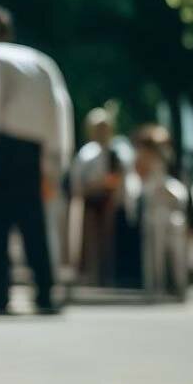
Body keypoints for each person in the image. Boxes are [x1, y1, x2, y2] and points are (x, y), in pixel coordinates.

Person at [0, 1, 73, 314]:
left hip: (0, 149)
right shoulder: (40, 61)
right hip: (33, 152)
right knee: (33, 224)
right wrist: (53, 165)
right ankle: (46, 293)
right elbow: (60, 113)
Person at [69, 108, 137, 286]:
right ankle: (91, 274)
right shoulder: (86, 154)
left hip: (112, 203)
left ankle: (110, 275)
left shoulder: (119, 151)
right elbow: (77, 182)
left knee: (110, 241)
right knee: (90, 242)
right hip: (91, 203)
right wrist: (97, 185)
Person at [132, 125, 188, 299]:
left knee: (175, 246)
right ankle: (155, 286)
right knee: (154, 248)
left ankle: (178, 285)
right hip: (153, 209)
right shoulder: (142, 160)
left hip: (169, 210)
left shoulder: (166, 160)